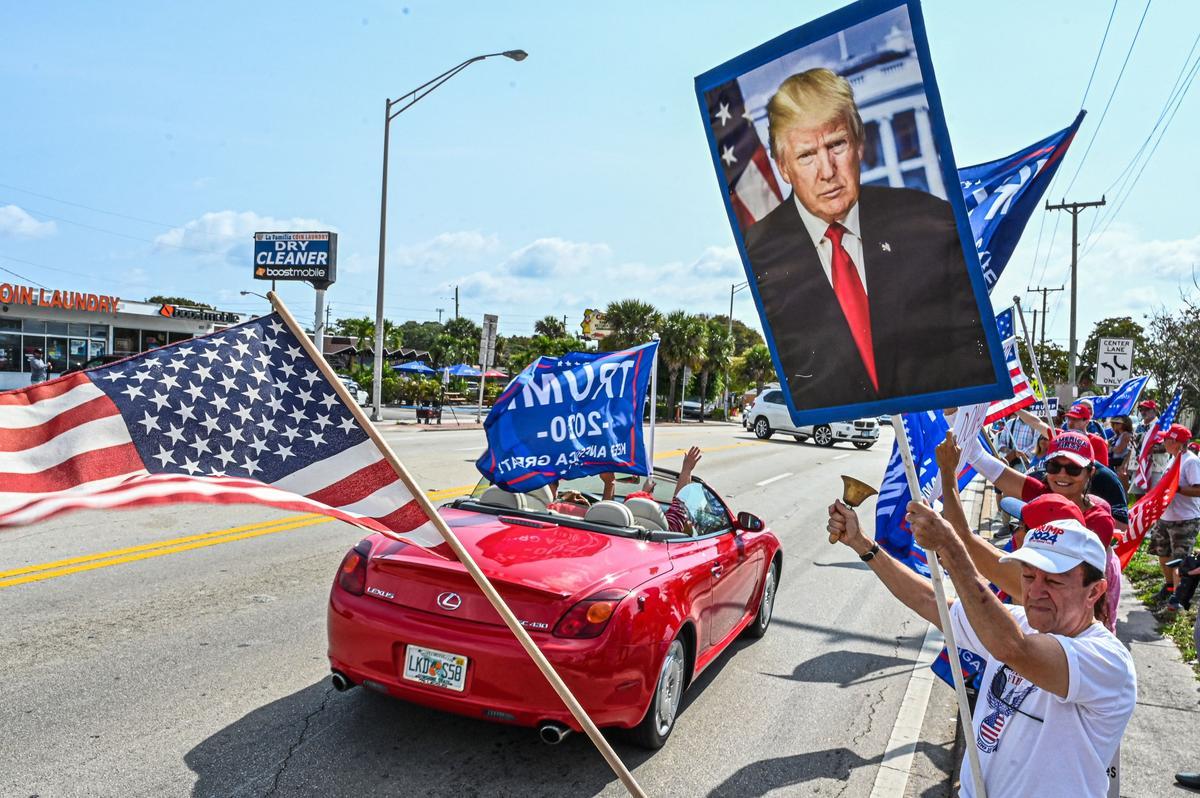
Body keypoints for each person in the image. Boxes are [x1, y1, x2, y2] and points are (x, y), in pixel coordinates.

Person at [827, 495, 1136, 797]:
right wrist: (862, 544)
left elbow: (1014, 650)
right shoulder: (1018, 622)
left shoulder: (1108, 661)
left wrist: (951, 548)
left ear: (1094, 591)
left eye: (1054, 581)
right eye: (1028, 576)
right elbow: (929, 600)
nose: (1036, 591)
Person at [743, 68, 993, 412]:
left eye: (836, 145)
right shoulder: (761, 251)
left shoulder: (929, 220)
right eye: (806, 156)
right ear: (783, 167)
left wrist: (951, 398)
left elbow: (967, 345)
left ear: (859, 144)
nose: (827, 171)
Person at [1149, 424, 1200, 610]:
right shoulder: (1174, 459)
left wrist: (1176, 489)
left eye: (1166, 439)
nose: (1163, 442)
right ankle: (1169, 587)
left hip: (1185, 519)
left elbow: (1198, 489)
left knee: (1180, 559)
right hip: (1166, 517)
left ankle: (1176, 600)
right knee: (1163, 554)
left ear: (1174, 441)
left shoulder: (1191, 462)